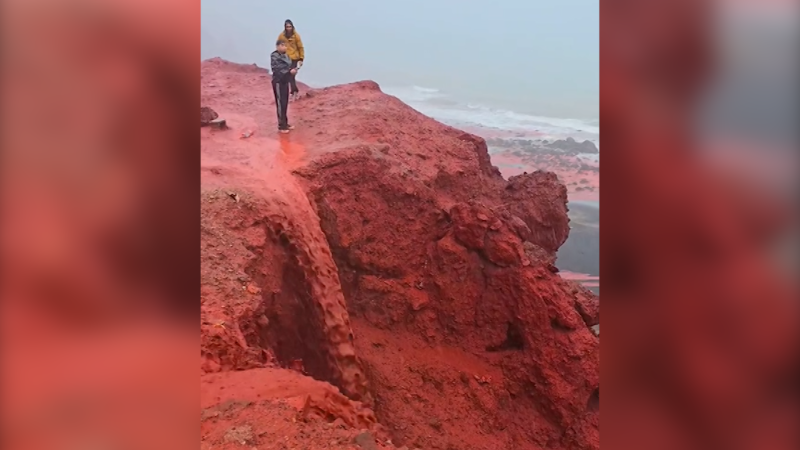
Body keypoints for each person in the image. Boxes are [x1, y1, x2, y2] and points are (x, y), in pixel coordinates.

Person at [270, 40, 297, 133]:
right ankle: (281, 125)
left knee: (285, 103)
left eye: (285, 45)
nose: (284, 47)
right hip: (278, 82)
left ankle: (285, 123)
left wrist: (293, 70)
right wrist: (289, 71)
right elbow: (277, 69)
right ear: (277, 46)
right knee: (280, 103)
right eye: (282, 45)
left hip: (285, 81)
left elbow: (289, 66)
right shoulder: (274, 56)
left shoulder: (286, 56)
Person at [277, 19, 304, 101]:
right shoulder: (281, 36)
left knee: (291, 76)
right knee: (286, 76)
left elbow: (300, 47)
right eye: (287, 27)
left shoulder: (296, 36)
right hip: (285, 59)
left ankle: (294, 92)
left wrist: (301, 58)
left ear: (292, 27)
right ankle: (291, 92)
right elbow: (279, 46)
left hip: (294, 59)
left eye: (290, 27)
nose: (288, 28)